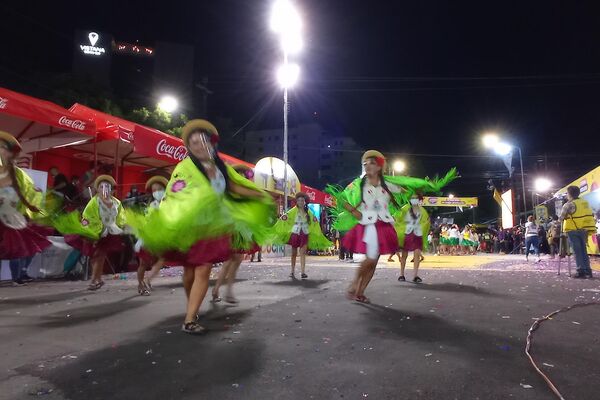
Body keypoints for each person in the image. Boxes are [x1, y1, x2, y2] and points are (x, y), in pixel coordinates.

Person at [126, 120, 274, 334]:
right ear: (189, 147)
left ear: (212, 143)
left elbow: (234, 187)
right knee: (188, 272)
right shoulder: (184, 168)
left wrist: (259, 194)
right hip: (189, 228)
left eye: (202, 140)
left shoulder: (221, 167)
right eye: (193, 142)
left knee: (203, 269)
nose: (198, 145)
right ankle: (192, 308)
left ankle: (189, 319)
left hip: (212, 228)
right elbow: (176, 194)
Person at [327, 150, 456, 302]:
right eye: (365, 163)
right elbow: (341, 200)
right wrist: (354, 212)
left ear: (379, 167)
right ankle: (354, 284)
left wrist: (418, 188)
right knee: (371, 257)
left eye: (372, 163)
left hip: (383, 225)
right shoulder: (357, 184)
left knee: (373, 262)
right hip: (368, 223)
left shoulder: (388, 184)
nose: (368, 165)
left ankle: (360, 292)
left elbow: (407, 191)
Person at [55, 175, 127, 290]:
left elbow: (121, 216)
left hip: (110, 233)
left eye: (107, 186)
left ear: (112, 189)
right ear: (97, 189)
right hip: (96, 232)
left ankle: (95, 280)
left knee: (101, 255)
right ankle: (96, 279)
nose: (104, 189)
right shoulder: (94, 202)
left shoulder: (117, 203)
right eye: (102, 186)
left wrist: (121, 225)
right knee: (96, 256)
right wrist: (90, 227)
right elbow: (87, 215)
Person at [212, 164, 270, 303]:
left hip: (242, 230)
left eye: (244, 175)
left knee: (233, 261)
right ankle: (226, 291)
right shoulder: (227, 190)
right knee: (232, 261)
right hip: (231, 229)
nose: (243, 177)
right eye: (240, 174)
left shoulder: (244, 193)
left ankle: (220, 290)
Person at [0, 131, 51, 275]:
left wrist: (28, 209)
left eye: (4, 148)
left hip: (12, 218)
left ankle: (18, 277)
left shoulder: (17, 174)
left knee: (17, 248)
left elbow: (25, 193)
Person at [272, 192, 331, 279]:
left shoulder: (309, 212)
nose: (300, 202)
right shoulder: (293, 210)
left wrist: (315, 222)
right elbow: (285, 217)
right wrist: (283, 218)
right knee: (294, 253)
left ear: (305, 202)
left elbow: (314, 221)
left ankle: (303, 272)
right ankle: (292, 271)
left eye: (302, 200)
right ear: (297, 201)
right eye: (299, 200)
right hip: (295, 233)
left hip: (304, 234)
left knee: (302, 253)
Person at [134, 176, 168, 296]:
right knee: (143, 263)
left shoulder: (169, 204)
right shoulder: (152, 206)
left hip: (160, 239)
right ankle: (141, 284)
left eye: (159, 189)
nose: (157, 192)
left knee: (161, 259)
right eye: (154, 190)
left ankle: (147, 281)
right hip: (148, 238)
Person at [559, 185, 596, 278]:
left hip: (572, 229)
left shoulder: (568, 204)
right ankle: (588, 270)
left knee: (577, 251)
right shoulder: (585, 202)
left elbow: (561, 218)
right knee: (584, 250)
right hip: (584, 229)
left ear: (569, 194)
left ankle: (581, 271)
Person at [396, 194, 430, 283]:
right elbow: (397, 218)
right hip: (407, 233)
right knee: (404, 255)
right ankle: (401, 274)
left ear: (419, 200)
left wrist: (425, 225)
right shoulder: (404, 209)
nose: (414, 199)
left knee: (417, 255)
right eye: (412, 198)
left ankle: (415, 275)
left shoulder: (423, 210)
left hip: (418, 234)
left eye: (416, 198)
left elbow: (426, 222)